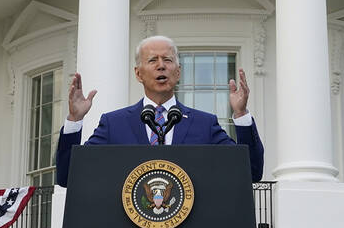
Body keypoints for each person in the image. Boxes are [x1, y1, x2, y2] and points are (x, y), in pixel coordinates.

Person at [55, 35, 264, 186]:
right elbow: (68, 176)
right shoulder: (114, 124)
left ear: (178, 72)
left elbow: (251, 171)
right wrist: (75, 120)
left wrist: (241, 115)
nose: (161, 66)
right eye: (153, 60)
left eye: (168, 60)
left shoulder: (204, 124)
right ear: (138, 73)